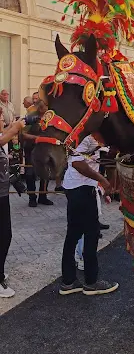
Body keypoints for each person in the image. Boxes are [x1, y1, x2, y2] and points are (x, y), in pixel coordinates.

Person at [60, 134, 118, 296]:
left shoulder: (98, 140)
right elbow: (77, 162)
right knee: (91, 235)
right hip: (81, 189)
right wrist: (103, 180)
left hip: (76, 188)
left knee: (73, 234)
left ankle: (68, 282)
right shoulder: (87, 139)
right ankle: (92, 282)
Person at [0, 111, 26, 297]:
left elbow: (4, 135)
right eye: (1, 119)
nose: (4, 122)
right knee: (4, 236)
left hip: (2, 194)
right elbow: (5, 137)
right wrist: (16, 127)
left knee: (4, 235)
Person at [21, 100, 53, 207]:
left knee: (45, 172)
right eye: (40, 107)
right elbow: (23, 134)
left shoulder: (51, 116)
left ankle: (43, 197)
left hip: (45, 148)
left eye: (44, 107)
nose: (42, 109)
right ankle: (32, 198)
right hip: (31, 148)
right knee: (30, 173)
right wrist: (37, 138)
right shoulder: (31, 116)